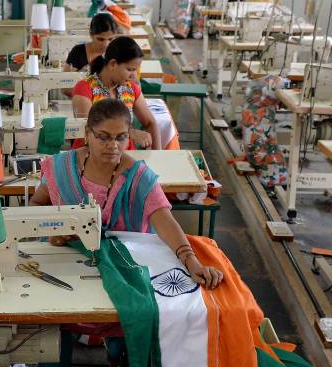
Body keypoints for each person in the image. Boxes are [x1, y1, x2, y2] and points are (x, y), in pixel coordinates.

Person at [31, 99, 223, 289]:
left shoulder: (138, 178)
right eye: (103, 137)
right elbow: (37, 204)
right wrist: (51, 230)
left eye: (121, 137)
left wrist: (191, 262)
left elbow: (165, 221)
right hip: (66, 264)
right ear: (87, 134)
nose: (113, 145)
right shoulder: (61, 168)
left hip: (124, 268)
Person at [72, 36, 162, 150]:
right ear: (113, 64)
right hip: (92, 157)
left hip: (125, 156)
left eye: (136, 70)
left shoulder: (131, 89)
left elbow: (150, 123)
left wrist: (158, 154)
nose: (134, 76)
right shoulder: (85, 88)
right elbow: (89, 131)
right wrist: (131, 132)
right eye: (130, 70)